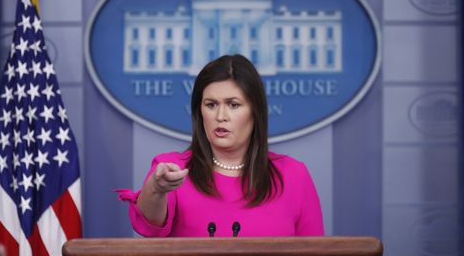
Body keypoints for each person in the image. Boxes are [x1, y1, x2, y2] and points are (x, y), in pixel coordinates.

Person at [117, 54, 324, 237]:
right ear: (200, 112)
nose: (220, 116)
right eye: (211, 105)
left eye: (233, 105)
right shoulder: (172, 170)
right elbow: (148, 226)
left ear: (255, 112)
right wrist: (156, 188)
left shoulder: (293, 175)